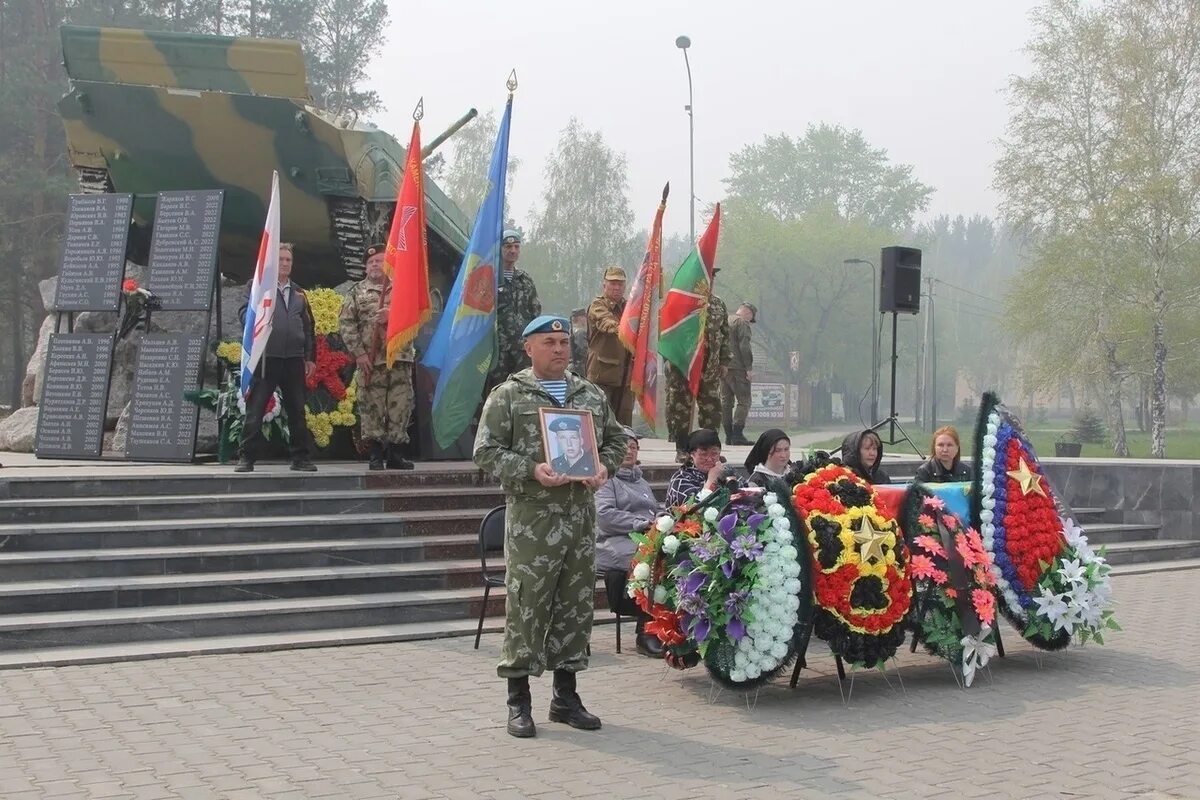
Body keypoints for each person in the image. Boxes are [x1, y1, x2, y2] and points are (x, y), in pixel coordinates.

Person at [473, 314, 628, 739]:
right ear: (529, 348)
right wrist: (530, 469)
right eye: (549, 342)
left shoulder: (590, 394)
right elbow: (485, 450)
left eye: (563, 341)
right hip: (532, 521)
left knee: (574, 607)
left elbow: (616, 440)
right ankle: (518, 701)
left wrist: (603, 466)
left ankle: (565, 697)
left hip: (579, 518)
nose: (559, 349)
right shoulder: (509, 395)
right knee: (527, 607)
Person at [236, 243, 317, 473]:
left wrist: (310, 358)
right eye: (280, 259)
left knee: (297, 410)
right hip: (266, 358)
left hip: (293, 359)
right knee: (256, 409)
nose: (284, 263)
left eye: (288, 260)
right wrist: (260, 314)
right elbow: (244, 314)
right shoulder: (258, 286)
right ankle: (246, 457)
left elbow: (309, 327)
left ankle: (300, 458)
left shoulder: (300, 292)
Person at [338, 243, 414, 471]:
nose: (374, 265)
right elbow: (346, 324)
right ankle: (375, 454)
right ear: (365, 268)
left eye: (379, 261)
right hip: (371, 361)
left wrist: (393, 315)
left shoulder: (403, 290)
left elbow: (416, 317)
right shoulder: (356, 292)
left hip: (399, 358)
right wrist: (359, 353)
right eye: (370, 262)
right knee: (372, 407)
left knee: (400, 406)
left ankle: (396, 454)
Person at [595, 428, 664, 658]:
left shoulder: (640, 481)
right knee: (648, 560)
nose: (629, 451)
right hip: (613, 541)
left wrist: (665, 517)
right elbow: (604, 516)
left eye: (633, 447)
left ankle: (666, 626)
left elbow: (654, 510)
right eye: (624, 446)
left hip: (644, 537)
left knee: (670, 555)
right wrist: (641, 523)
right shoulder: (607, 480)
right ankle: (645, 632)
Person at [666, 290, 731, 463]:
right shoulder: (680, 300)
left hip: (710, 369)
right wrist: (668, 359)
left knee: (712, 410)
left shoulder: (718, 303)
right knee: (681, 410)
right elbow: (668, 332)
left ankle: (710, 450)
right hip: (683, 367)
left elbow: (725, 335)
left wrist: (724, 361)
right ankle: (683, 450)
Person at [486, 229, 542, 392]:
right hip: (497, 349)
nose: (513, 251)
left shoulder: (525, 280)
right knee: (496, 390)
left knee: (523, 389)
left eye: (516, 247)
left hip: (521, 349)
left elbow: (535, 313)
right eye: (508, 246)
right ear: (500, 249)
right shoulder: (490, 277)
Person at [586, 266, 634, 426]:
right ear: (604, 285)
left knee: (624, 423)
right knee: (600, 421)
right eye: (612, 283)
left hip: (626, 375)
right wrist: (627, 328)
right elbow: (606, 323)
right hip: (602, 374)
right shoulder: (597, 305)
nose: (616, 287)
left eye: (620, 284)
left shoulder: (630, 307)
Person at [666, 428, 741, 506]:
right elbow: (693, 510)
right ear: (692, 455)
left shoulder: (726, 471)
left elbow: (747, 489)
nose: (709, 459)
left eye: (714, 454)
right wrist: (711, 480)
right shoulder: (681, 479)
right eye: (703, 454)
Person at [721, 302, 756, 445]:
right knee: (744, 400)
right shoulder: (742, 323)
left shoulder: (725, 320)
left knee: (726, 401)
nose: (750, 321)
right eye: (751, 318)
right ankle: (737, 434)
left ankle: (728, 435)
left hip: (723, 366)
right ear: (748, 313)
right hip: (738, 367)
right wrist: (748, 367)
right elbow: (744, 345)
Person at [569, 308, 589, 375]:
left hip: (570, 366)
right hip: (579, 367)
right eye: (584, 317)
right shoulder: (581, 332)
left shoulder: (570, 331)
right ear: (581, 318)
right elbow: (583, 349)